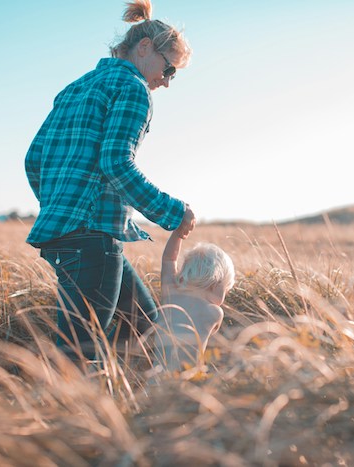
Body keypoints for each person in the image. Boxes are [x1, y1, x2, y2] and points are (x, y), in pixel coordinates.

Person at [24, 0, 194, 360]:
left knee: (147, 329)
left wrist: (60, 206)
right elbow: (116, 163)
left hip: (65, 234)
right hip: (92, 238)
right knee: (79, 355)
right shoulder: (134, 89)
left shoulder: (75, 87)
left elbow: (33, 160)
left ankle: (149, 410)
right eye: (170, 70)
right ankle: (66, 414)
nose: (166, 82)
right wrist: (173, 212)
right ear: (145, 48)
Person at [153, 228, 235, 372]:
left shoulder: (171, 294)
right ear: (216, 284)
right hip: (186, 380)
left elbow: (169, 259)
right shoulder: (214, 312)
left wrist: (178, 234)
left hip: (155, 377)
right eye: (226, 289)